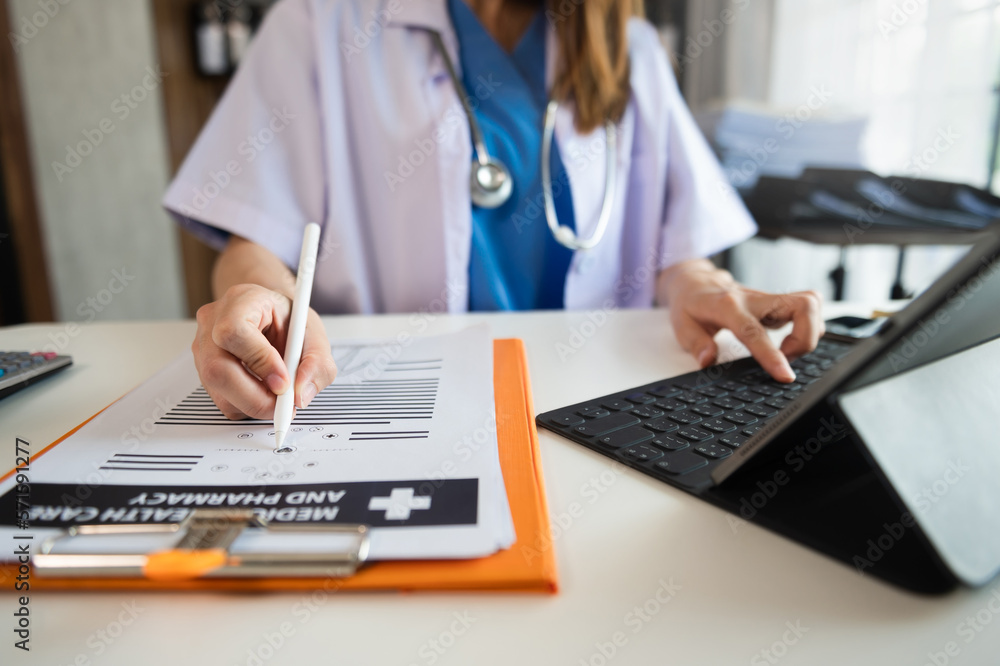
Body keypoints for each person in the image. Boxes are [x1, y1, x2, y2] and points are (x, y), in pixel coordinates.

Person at [163, 0, 823, 421]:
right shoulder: (319, 23)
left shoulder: (631, 47)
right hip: (387, 403)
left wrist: (703, 285)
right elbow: (255, 237)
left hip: (591, 403)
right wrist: (259, 299)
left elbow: (677, 246)